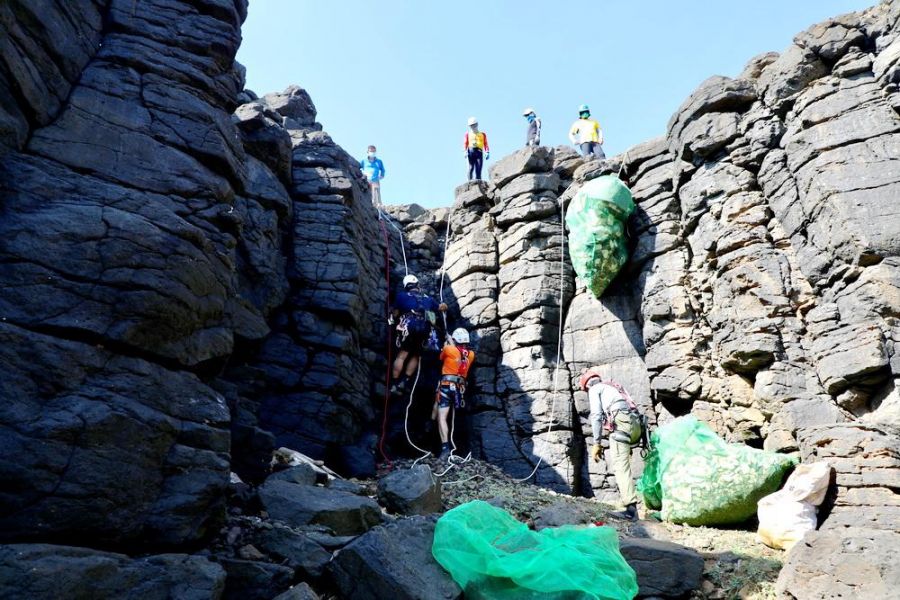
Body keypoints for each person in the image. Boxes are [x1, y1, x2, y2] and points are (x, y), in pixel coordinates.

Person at [580, 368, 643, 521]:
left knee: (620, 465)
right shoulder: (614, 386)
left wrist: (596, 443)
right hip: (636, 424)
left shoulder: (595, 389)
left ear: (587, 386)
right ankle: (629, 503)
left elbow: (596, 415)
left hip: (621, 423)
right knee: (624, 459)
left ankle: (631, 510)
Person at [390, 274, 447, 395]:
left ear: (406, 286)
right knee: (416, 355)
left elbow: (395, 314)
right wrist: (444, 305)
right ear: (418, 286)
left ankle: (394, 383)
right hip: (425, 327)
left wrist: (393, 319)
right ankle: (405, 381)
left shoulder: (401, 296)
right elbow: (441, 308)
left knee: (402, 355)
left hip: (409, 325)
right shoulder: (428, 299)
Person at [433, 328, 475, 459]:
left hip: (446, 387)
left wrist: (447, 341)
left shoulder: (448, 349)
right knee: (450, 415)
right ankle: (430, 424)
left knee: (442, 418)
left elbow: (441, 356)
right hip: (460, 390)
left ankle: (445, 448)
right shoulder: (471, 354)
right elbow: (460, 354)